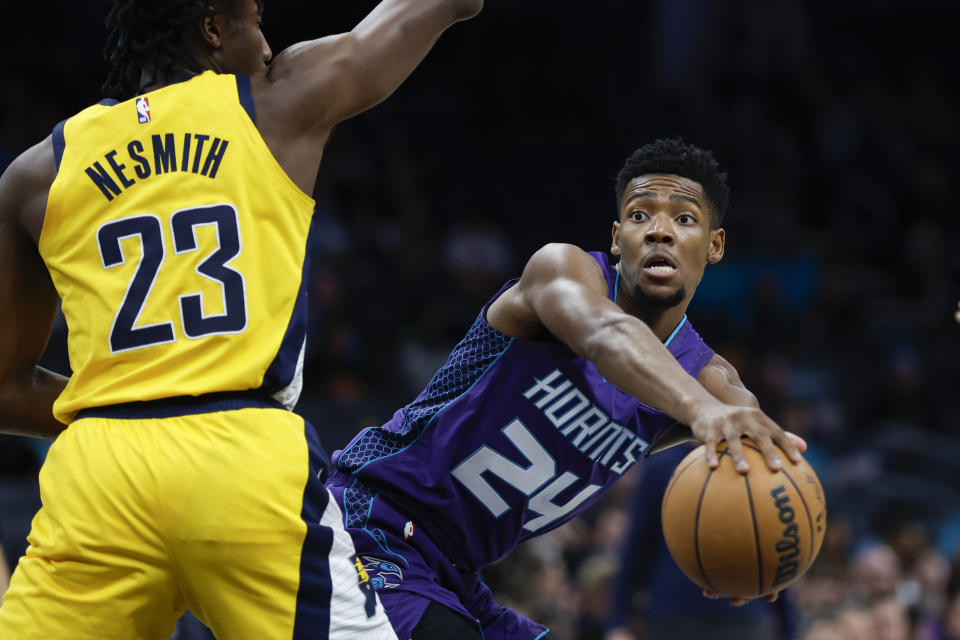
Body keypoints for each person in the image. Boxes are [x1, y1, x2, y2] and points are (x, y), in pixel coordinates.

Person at [0, 0, 483, 638]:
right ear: (213, 29)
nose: (265, 43)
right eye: (256, 18)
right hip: (242, 455)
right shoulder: (275, 101)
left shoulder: (38, 172)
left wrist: (125, 416)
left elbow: (5, 388)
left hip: (99, 473)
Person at [325, 138, 807, 640]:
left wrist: (755, 557)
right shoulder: (561, 272)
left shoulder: (716, 386)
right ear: (618, 238)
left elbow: (762, 477)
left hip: (458, 575)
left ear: (714, 244)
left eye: (684, 219)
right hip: (370, 522)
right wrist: (701, 411)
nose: (659, 231)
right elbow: (605, 335)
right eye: (641, 216)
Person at [603, 443, 798, 640]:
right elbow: (637, 546)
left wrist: (788, 626)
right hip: (675, 613)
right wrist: (618, 621)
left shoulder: (752, 459)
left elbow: (775, 544)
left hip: (742, 614)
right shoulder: (662, 464)